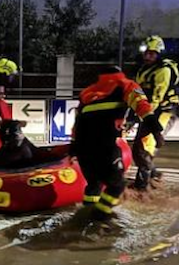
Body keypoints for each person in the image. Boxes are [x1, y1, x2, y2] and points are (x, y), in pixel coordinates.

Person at [70, 66, 164, 221]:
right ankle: (99, 216)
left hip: (82, 145)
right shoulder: (126, 84)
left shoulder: (86, 92)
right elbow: (143, 107)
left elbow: (77, 122)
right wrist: (156, 131)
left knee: (94, 185)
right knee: (117, 185)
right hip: (104, 143)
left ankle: (84, 215)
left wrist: (73, 148)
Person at [132, 35, 179, 190]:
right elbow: (137, 94)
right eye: (146, 52)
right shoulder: (143, 70)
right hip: (149, 113)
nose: (147, 56)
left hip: (163, 112)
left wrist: (141, 116)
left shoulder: (163, 71)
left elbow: (156, 98)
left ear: (159, 54)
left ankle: (142, 189)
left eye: (152, 53)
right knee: (137, 149)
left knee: (144, 149)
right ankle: (154, 175)